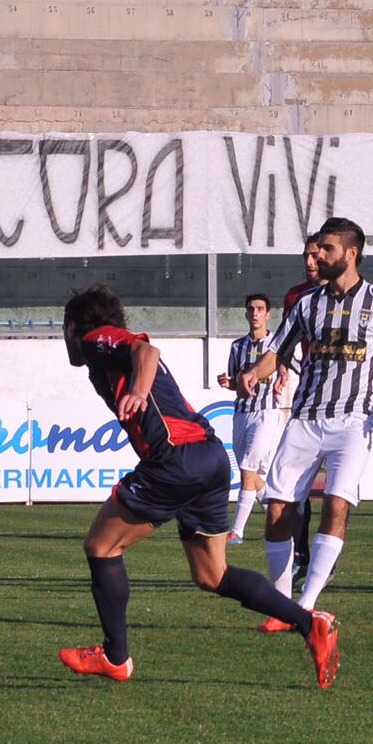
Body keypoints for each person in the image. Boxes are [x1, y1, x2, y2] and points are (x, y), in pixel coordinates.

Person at [57, 285, 339, 688]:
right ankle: (309, 623)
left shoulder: (95, 339)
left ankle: (115, 657)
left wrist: (138, 392)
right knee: (212, 575)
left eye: (64, 328)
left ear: (74, 325)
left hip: (176, 459)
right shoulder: (104, 355)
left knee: (101, 547)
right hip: (208, 458)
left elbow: (146, 351)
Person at [240, 216, 373, 623]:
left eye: (327, 248)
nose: (318, 255)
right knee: (278, 509)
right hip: (304, 419)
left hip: (353, 422)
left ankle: (305, 605)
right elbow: (278, 351)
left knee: (337, 504)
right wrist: (254, 372)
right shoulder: (306, 303)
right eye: (317, 248)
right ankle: (281, 606)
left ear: (351, 254)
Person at [216, 294, 287, 544]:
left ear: (268, 314)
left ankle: (237, 531)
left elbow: (285, 370)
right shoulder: (237, 346)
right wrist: (228, 383)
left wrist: (282, 379)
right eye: (251, 309)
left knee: (247, 470)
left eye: (260, 309)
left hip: (266, 412)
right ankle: (279, 518)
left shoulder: (276, 345)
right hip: (241, 413)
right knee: (253, 475)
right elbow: (237, 384)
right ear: (246, 314)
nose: (255, 313)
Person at [282, 236, 322, 583]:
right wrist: (282, 370)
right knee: (296, 485)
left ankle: (324, 556)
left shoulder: (358, 297)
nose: (310, 261)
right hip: (307, 398)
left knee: (339, 491)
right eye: (306, 255)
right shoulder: (296, 297)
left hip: (347, 403)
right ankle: (302, 553)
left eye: (315, 254)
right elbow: (285, 344)